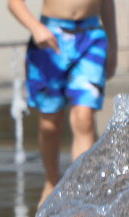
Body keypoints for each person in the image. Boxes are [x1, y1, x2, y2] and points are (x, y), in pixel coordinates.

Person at [8, 0, 117, 206]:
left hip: (91, 36)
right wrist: (36, 27)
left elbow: (107, 3)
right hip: (50, 38)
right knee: (50, 123)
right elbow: (14, 3)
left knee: (84, 118)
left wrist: (113, 46)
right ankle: (51, 180)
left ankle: (81, 192)